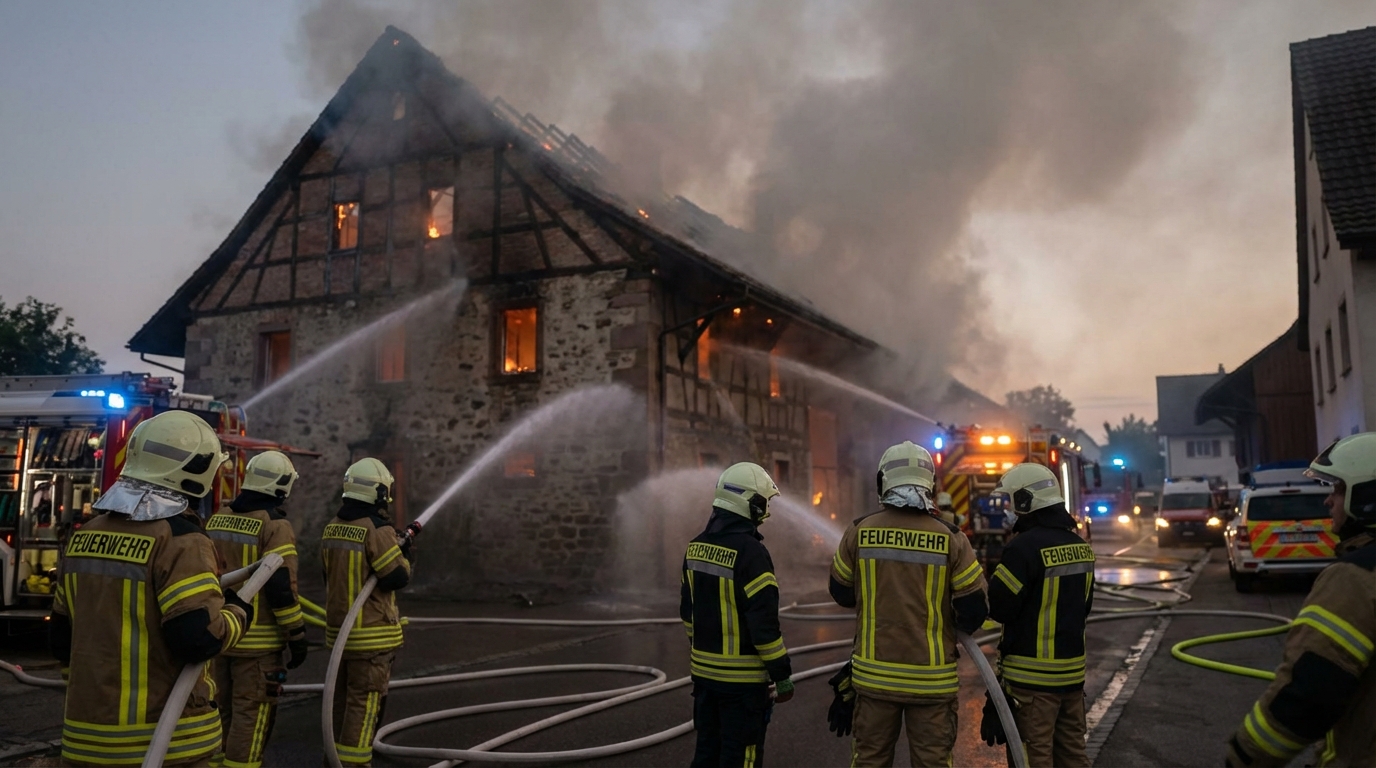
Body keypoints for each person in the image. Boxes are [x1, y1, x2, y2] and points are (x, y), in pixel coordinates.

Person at [49, 410, 250, 767]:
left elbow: (60, 638)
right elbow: (197, 638)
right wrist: (238, 613)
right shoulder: (182, 540)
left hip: (85, 741)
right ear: (197, 469)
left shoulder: (85, 535)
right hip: (167, 742)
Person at [829, 441, 988, 767]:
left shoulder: (860, 531)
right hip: (932, 682)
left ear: (883, 481)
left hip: (873, 680)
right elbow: (974, 609)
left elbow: (841, 592)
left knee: (870, 762)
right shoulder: (952, 537)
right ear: (929, 485)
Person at [1226, 434, 1376, 767]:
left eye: (1336, 489)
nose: (1328, 501)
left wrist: (1244, 755)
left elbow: (1310, 693)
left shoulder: (1354, 580)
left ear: (1365, 496)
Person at [681, 462, 794, 767]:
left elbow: (688, 615)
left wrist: (707, 652)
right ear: (751, 504)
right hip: (742, 686)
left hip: (704, 679)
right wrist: (782, 674)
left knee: (707, 753)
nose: (765, 511)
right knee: (740, 757)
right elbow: (764, 628)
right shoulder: (751, 553)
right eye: (763, 503)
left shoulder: (695, 548)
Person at [984, 463, 1093, 768]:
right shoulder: (1081, 547)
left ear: (1025, 501)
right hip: (1072, 677)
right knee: (1073, 755)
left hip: (1031, 683)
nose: (1010, 511)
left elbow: (1000, 607)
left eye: (1012, 502)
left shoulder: (1022, 549)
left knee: (1033, 758)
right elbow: (1084, 607)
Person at [207, 450, 308, 768]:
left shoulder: (218, 517)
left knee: (217, 714)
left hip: (220, 638)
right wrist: (297, 635)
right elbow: (279, 587)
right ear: (281, 486)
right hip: (258, 645)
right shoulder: (275, 526)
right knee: (251, 716)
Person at [322, 457, 420, 767]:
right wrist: (405, 555)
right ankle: (354, 764)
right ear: (379, 493)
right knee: (363, 709)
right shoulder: (376, 530)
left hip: (342, 636)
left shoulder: (333, 527)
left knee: (339, 705)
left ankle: (333, 759)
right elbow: (395, 577)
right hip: (373, 637)